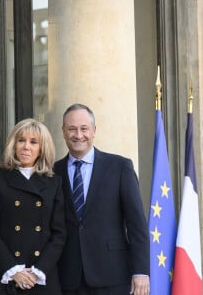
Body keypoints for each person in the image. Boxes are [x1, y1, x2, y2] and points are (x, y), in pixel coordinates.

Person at [54, 104, 150, 295]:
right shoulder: (53, 172)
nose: (78, 135)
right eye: (72, 129)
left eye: (84, 129)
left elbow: (137, 224)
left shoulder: (120, 167)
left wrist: (141, 271)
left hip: (113, 276)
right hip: (68, 278)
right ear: (63, 132)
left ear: (94, 131)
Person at [0, 118, 66, 295]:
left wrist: (37, 272)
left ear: (42, 148)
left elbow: (59, 233)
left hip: (41, 279)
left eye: (34, 142)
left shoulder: (54, 183)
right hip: (4, 277)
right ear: (13, 144)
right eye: (21, 140)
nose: (26, 146)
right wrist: (13, 270)